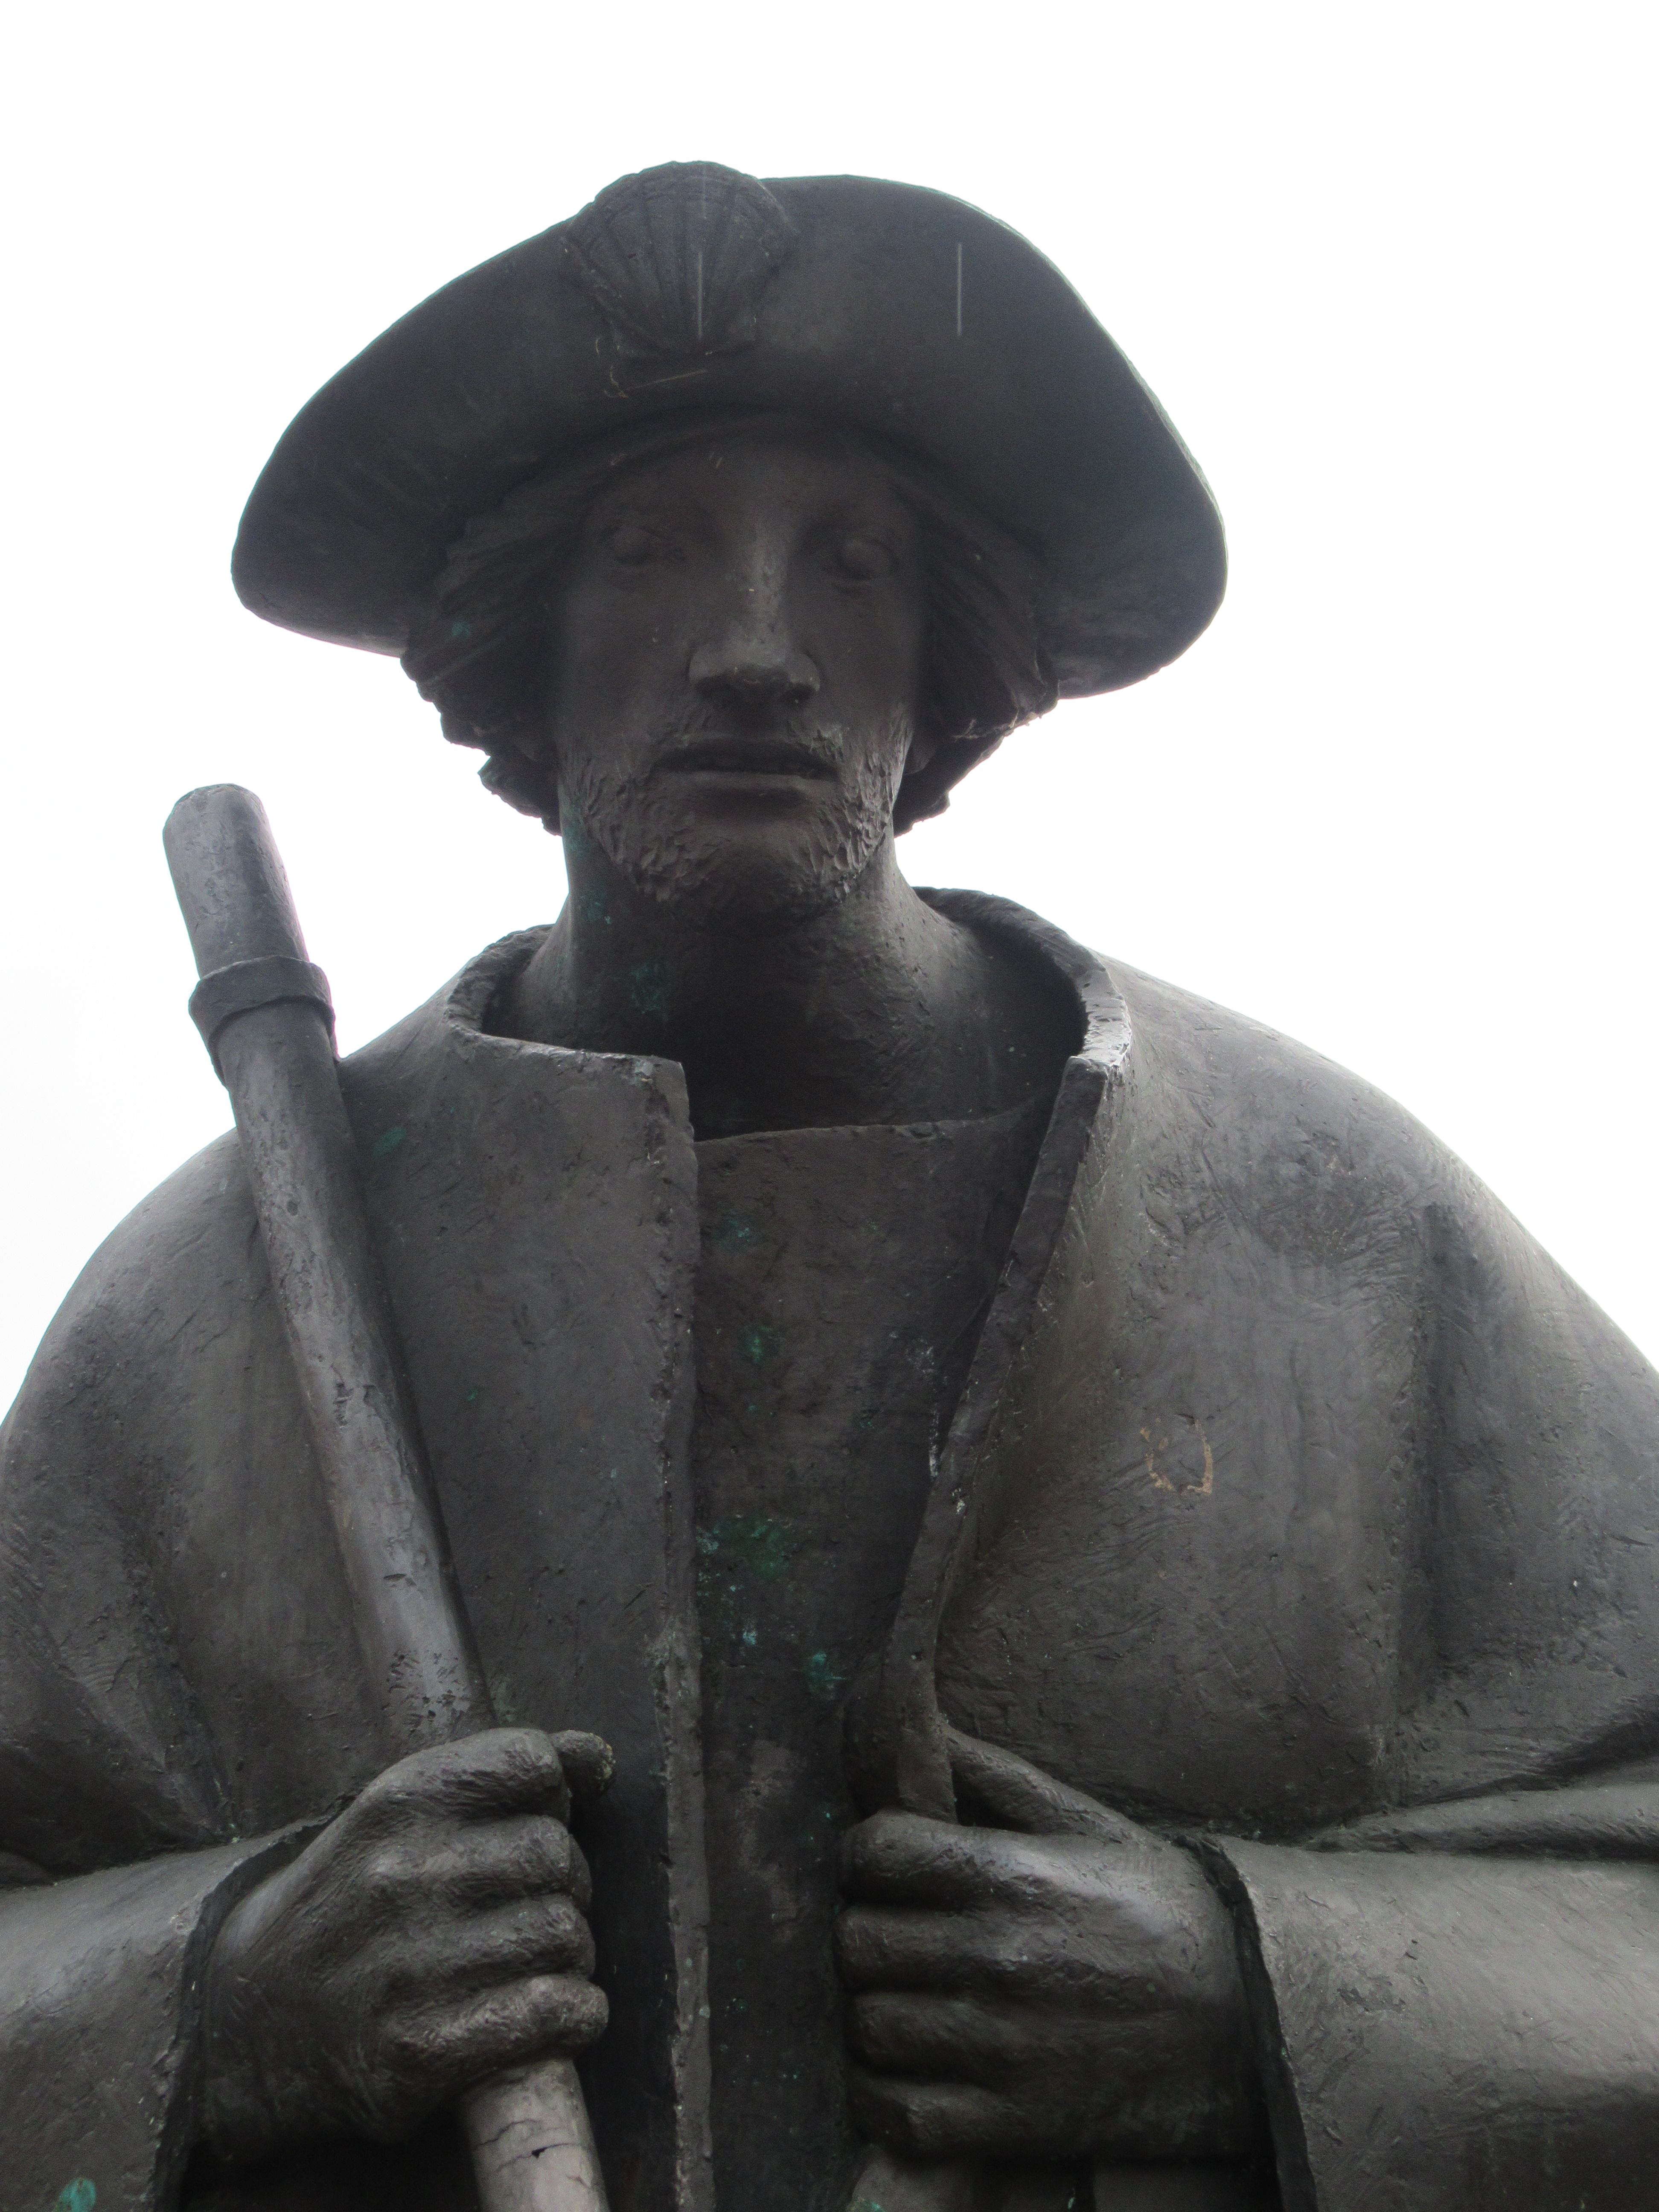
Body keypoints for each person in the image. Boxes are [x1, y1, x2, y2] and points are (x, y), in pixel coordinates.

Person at [3, 161, 1657, 2212]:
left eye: (853, 568)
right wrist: (228, 1994)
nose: (757, 652)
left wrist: (1260, 1993)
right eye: (652, 555)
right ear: (523, 649)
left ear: (943, 662)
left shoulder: (1326, 1230)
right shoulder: (214, 1307)